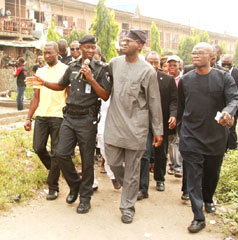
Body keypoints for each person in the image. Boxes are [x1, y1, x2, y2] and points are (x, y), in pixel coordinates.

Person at [26, 34, 111, 214]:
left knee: (87, 160)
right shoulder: (72, 66)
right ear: (79, 48)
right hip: (69, 117)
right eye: (86, 47)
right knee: (61, 154)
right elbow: (61, 85)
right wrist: (43, 83)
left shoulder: (101, 69)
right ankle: (75, 185)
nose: (89, 50)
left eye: (92, 47)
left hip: (87, 119)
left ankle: (85, 198)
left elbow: (104, 95)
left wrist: (91, 78)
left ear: (95, 49)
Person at [177, 42, 238, 233]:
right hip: (191, 136)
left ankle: (209, 199)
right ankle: (198, 216)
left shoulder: (223, 78)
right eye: (193, 52)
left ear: (211, 57)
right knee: (193, 177)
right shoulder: (186, 80)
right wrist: (180, 128)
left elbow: (234, 99)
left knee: (212, 174)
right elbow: (181, 106)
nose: (194, 55)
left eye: (200, 53)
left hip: (215, 136)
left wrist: (228, 112)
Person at [104, 30, 163, 224]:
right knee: (112, 162)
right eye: (123, 40)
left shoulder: (147, 70)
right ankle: (129, 185)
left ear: (139, 45)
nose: (123, 43)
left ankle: (127, 207)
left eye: (128, 41)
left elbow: (154, 102)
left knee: (133, 169)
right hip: (114, 123)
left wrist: (158, 131)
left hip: (136, 127)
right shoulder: (114, 63)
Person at [24, 42, 68, 200]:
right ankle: (54, 171)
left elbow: (67, 93)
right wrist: (29, 118)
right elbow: (36, 96)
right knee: (38, 147)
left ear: (57, 52)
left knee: (56, 152)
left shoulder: (65, 70)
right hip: (42, 116)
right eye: (45, 53)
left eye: (50, 53)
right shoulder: (40, 71)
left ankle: (53, 186)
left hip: (59, 116)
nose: (47, 55)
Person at [138, 51, 177, 199]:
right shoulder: (140, 78)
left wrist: (173, 115)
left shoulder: (167, 79)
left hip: (162, 122)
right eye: (150, 62)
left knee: (161, 152)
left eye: (156, 63)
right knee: (145, 153)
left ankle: (160, 179)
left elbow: (174, 100)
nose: (153, 66)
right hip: (144, 122)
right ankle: (142, 188)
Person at [222, 54, 238, 149]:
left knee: (232, 125)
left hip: (234, 103)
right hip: (222, 103)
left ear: (233, 63)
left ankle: (232, 147)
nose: (226, 66)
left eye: (228, 63)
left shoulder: (236, 72)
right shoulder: (219, 71)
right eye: (224, 63)